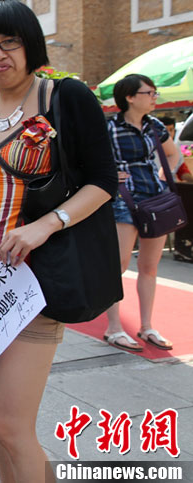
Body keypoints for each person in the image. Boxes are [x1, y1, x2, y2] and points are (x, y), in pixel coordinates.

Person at [0, 0, 117, 482]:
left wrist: (46, 224)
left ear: (30, 46)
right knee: (0, 422)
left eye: (8, 43)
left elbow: (104, 182)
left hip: (33, 284)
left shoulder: (66, 97)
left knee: (9, 422)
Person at [102, 74, 181, 352]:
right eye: (150, 93)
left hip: (155, 198)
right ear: (130, 97)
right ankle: (113, 328)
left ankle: (147, 326)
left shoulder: (155, 125)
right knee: (119, 265)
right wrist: (112, 174)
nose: (154, 98)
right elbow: (90, 160)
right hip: (123, 199)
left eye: (155, 93)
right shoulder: (109, 126)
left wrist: (162, 174)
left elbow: (173, 154)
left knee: (149, 266)